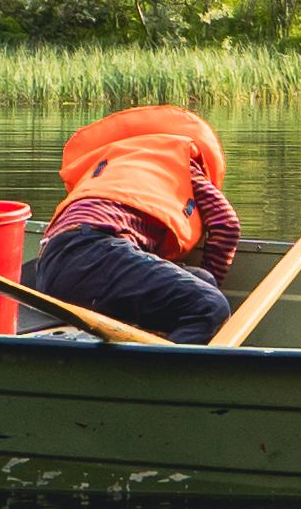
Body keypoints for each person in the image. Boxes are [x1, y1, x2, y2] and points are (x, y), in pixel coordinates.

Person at [25, 102, 252, 341]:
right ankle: (155, 374)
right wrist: (207, 293)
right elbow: (226, 224)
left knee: (202, 281)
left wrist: (203, 283)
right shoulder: (180, 162)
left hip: (52, 267)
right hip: (96, 253)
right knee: (210, 306)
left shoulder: (110, 164)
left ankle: (151, 345)